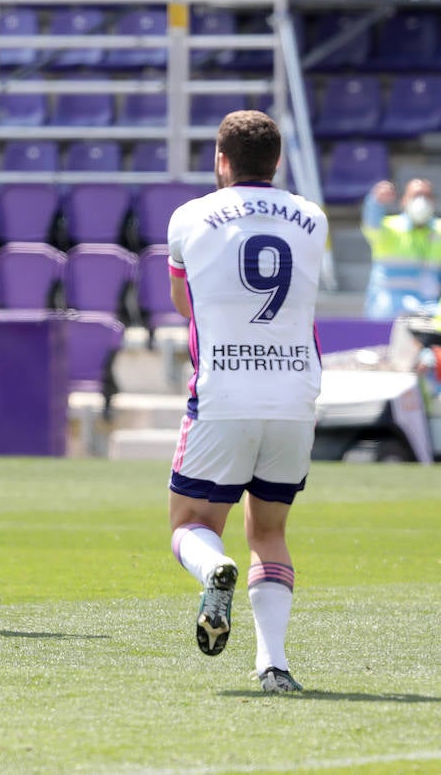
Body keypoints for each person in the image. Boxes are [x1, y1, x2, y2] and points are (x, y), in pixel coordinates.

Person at [164, 110, 327, 694]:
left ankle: (214, 569)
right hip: (295, 396)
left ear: (221, 161)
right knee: (270, 532)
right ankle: (273, 662)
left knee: (190, 524)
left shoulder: (188, 218)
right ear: (278, 162)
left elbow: (185, 303)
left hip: (224, 393)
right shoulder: (312, 218)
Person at [361, 178, 441, 320]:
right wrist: (375, 201)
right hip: (389, 312)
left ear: (434, 201)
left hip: (429, 312)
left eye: (426, 196)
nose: (421, 201)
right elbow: (371, 223)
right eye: (416, 196)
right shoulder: (389, 228)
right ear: (404, 200)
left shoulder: (438, 231)